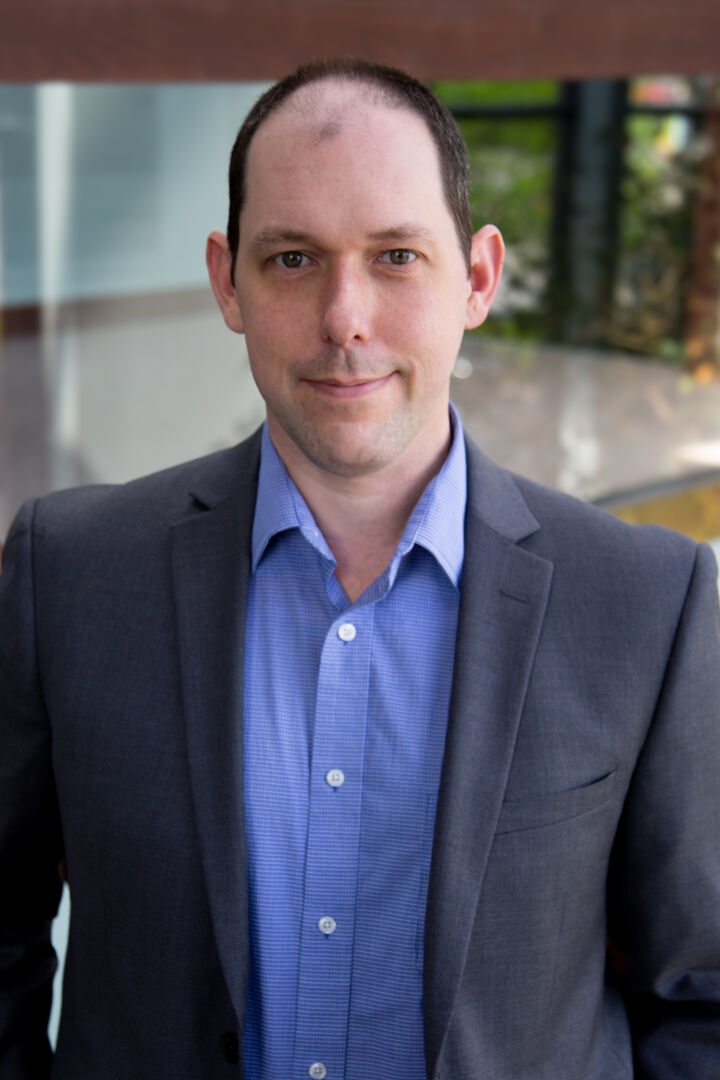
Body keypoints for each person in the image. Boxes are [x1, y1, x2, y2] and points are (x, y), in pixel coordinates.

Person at [1, 57, 719, 1080]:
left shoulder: (647, 603)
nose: (346, 317)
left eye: (396, 256)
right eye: (293, 258)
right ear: (228, 282)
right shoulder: (68, 574)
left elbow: (701, 997)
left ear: (478, 279)